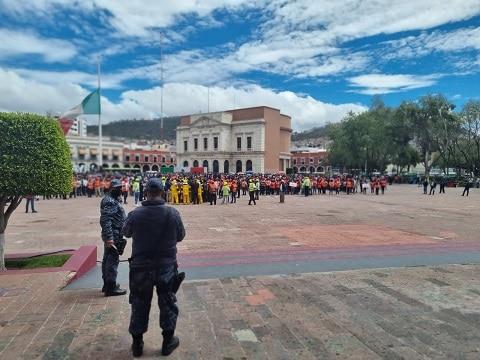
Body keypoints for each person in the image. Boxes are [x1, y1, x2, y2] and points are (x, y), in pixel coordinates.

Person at [123, 178, 185, 357]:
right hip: (166, 266)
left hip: (141, 267)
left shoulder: (135, 214)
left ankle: (137, 344)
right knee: (167, 303)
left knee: (139, 303)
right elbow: (180, 236)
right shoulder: (172, 213)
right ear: (163, 192)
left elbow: (125, 232)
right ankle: (167, 342)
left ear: (146, 192)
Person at [99, 179, 127, 297]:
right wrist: (109, 238)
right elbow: (105, 220)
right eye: (117, 188)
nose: (120, 190)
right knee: (112, 261)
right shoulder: (109, 201)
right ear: (112, 189)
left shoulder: (114, 199)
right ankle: (111, 287)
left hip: (115, 233)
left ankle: (107, 284)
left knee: (107, 259)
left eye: (120, 187)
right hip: (113, 234)